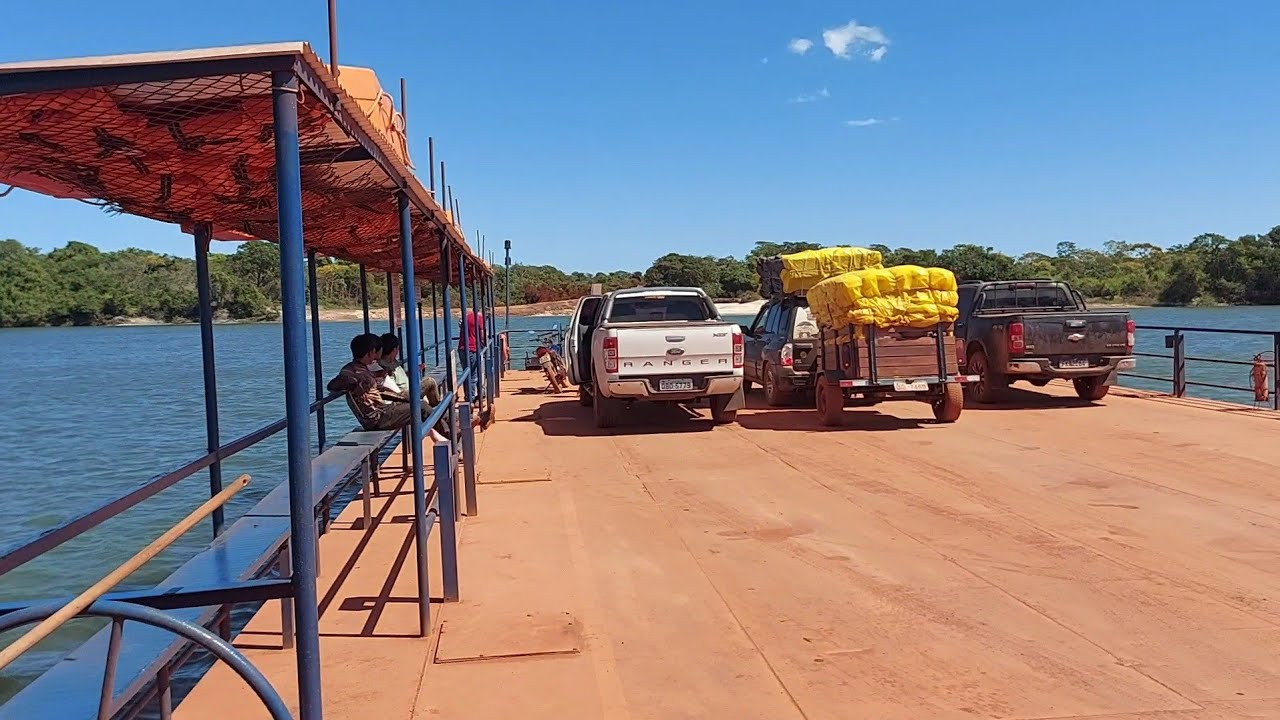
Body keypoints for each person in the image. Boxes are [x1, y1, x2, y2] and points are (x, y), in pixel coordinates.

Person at [328, 333, 449, 442]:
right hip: (376, 418)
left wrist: (401, 398)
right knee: (421, 407)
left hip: (384, 410)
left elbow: (381, 391)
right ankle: (450, 435)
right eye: (376, 353)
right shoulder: (351, 370)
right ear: (371, 352)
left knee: (420, 404)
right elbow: (333, 385)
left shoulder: (364, 368)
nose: (376, 357)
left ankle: (448, 426)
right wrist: (355, 382)